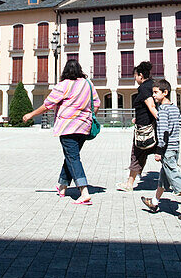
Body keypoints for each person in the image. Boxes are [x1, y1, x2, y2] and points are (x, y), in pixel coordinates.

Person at [22, 59, 101, 205]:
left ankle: (84, 192)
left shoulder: (63, 85)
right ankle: (63, 187)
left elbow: (47, 105)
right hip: (84, 127)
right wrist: (87, 116)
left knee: (73, 158)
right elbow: (96, 104)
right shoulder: (88, 84)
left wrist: (30, 115)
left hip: (67, 127)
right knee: (71, 156)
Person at [141, 79, 181, 220]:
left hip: (167, 150)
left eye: (156, 93)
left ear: (165, 92)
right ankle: (154, 202)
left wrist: (159, 152)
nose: (154, 96)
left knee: (174, 177)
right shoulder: (174, 108)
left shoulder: (162, 110)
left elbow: (164, 133)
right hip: (175, 149)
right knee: (164, 177)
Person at [118, 62, 158, 192]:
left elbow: (151, 105)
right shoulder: (152, 85)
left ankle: (129, 184)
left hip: (145, 129)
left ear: (140, 75)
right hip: (149, 125)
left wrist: (161, 120)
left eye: (135, 75)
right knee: (160, 154)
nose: (135, 78)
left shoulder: (144, 88)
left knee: (136, 154)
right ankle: (177, 185)